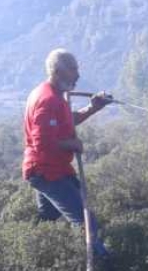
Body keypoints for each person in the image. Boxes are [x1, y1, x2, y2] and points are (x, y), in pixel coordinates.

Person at [22, 48, 113, 257]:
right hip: (47, 172)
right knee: (86, 222)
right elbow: (43, 142)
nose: (78, 75)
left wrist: (93, 108)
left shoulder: (53, 95)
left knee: (48, 219)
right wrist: (72, 144)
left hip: (53, 169)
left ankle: (36, 257)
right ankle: (105, 268)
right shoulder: (47, 99)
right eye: (73, 70)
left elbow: (64, 122)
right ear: (56, 71)